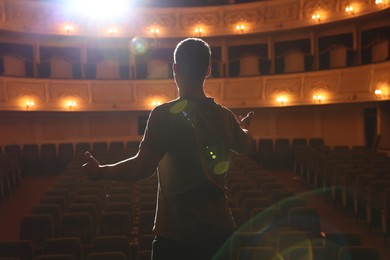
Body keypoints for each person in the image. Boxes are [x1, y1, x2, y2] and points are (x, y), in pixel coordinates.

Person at [82, 38, 254, 260]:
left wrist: (102, 172)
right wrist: (245, 127)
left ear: (175, 69)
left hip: (176, 235)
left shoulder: (163, 115)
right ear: (208, 70)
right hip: (219, 232)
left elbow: (142, 167)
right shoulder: (225, 117)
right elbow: (245, 145)